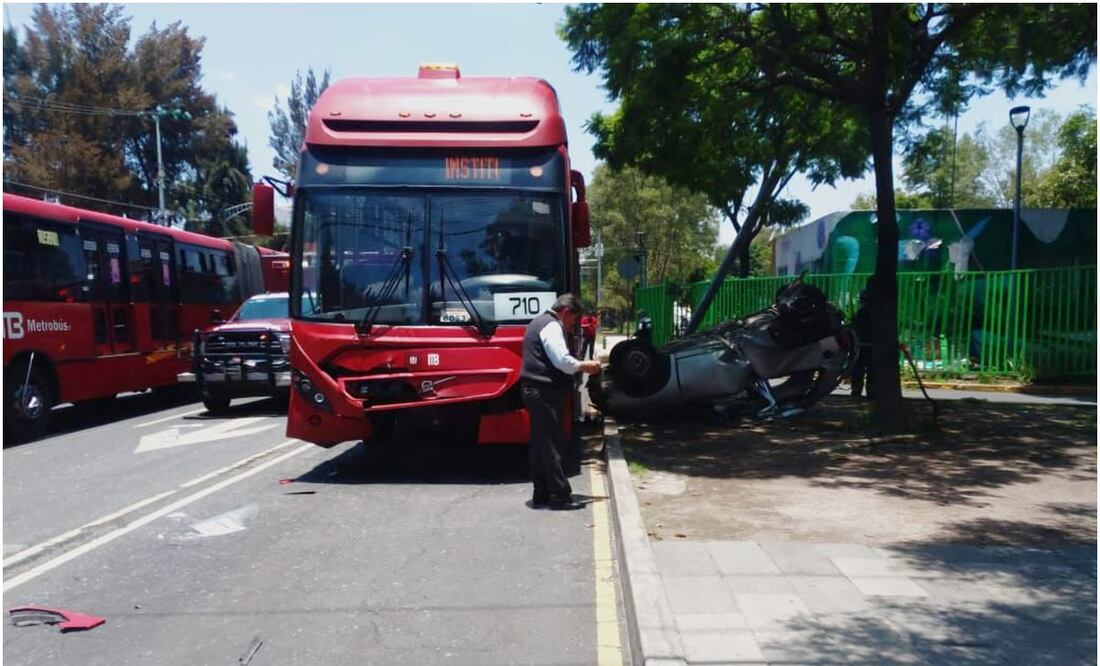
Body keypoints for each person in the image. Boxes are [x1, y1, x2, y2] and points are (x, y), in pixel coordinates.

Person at [521, 294, 602, 510]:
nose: (571, 326)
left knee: (540, 443)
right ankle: (559, 496)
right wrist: (586, 366)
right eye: (573, 321)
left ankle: (541, 493)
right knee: (552, 444)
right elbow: (562, 361)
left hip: (532, 389)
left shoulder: (537, 322)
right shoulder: (552, 326)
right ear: (566, 312)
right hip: (543, 391)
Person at [850, 282, 874, 399]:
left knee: (859, 370)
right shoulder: (876, 312)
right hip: (871, 345)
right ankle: (870, 391)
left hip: (862, 345)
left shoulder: (861, 312)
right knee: (871, 370)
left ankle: (856, 390)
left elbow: (855, 328)